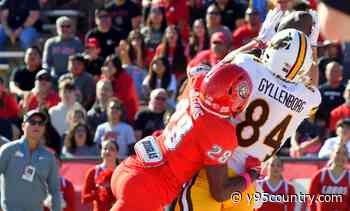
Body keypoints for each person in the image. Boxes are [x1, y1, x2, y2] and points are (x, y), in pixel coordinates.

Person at [175, 29, 321, 211]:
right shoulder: (307, 98)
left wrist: (256, 42)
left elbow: (220, 69)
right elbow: (312, 86)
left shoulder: (249, 65)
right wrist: (312, 48)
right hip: (246, 184)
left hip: (214, 167)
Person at [110, 62, 255, 211]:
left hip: (128, 168)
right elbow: (220, 192)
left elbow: (196, 69)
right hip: (148, 190)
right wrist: (251, 176)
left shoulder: (197, 86)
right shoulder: (220, 131)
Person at [0, 109, 61, 211]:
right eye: (32, 122)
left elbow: (55, 191)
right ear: (23, 126)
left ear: (44, 129)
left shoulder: (49, 157)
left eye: (40, 123)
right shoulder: (8, 150)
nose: (36, 126)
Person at [309, 143, 350, 211]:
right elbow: (311, 200)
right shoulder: (320, 176)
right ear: (331, 155)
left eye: (344, 154)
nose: (341, 156)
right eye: (338, 153)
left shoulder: (349, 177)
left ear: (347, 157)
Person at [100, 55, 139, 123]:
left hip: (126, 113)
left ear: (117, 67)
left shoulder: (126, 78)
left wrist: (109, 80)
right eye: (107, 66)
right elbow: (101, 94)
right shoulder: (105, 77)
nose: (109, 68)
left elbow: (122, 98)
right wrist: (107, 79)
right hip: (109, 111)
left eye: (111, 66)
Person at [82, 139, 118, 211]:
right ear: (101, 152)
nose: (107, 151)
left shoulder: (122, 171)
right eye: (105, 148)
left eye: (112, 149)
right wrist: (100, 192)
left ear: (117, 153)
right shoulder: (93, 172)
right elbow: (84, 198)